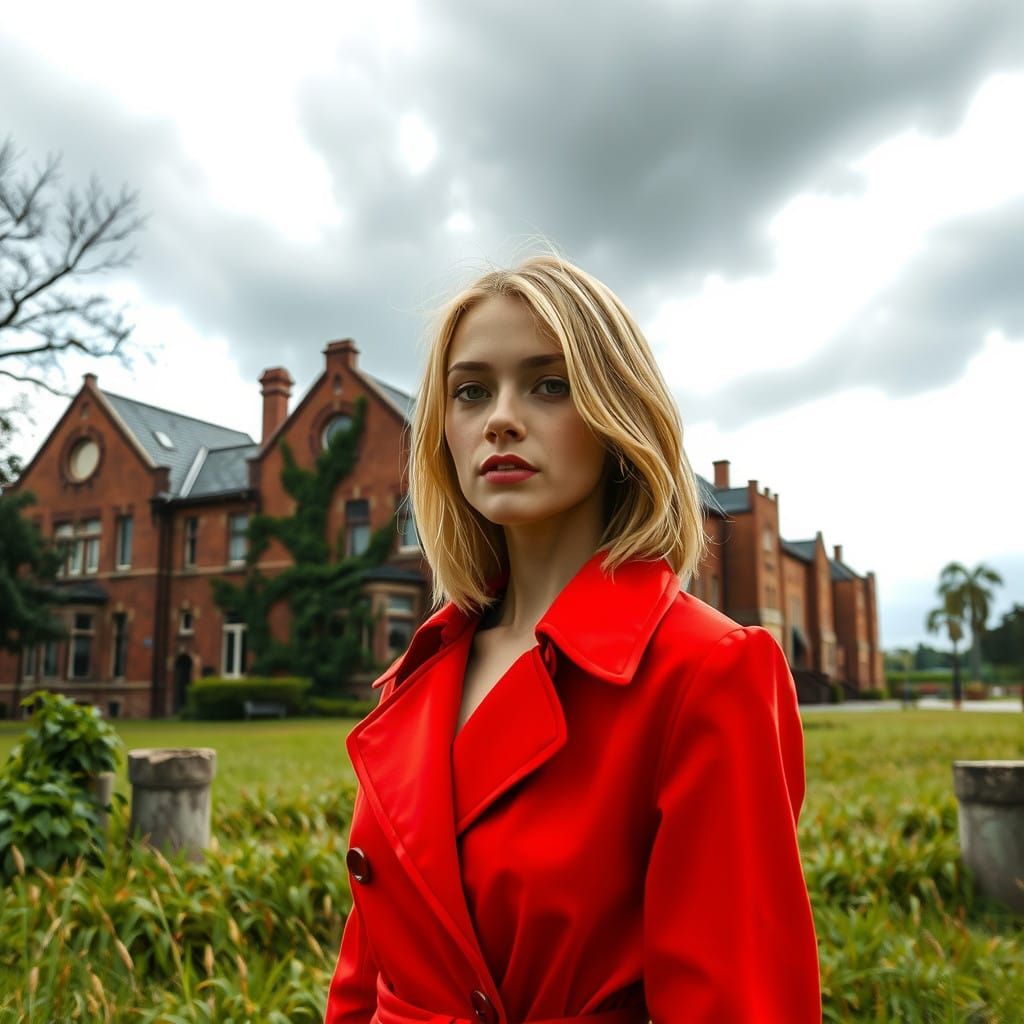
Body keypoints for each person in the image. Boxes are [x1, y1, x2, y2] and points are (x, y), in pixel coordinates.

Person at [324, 254, 821, 1024]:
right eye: (471, 391)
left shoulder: (705, 671)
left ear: (616, 413)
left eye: (548, 384)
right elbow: (366, 979)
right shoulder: (418, 675)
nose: (501, 417)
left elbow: (739, 1000)